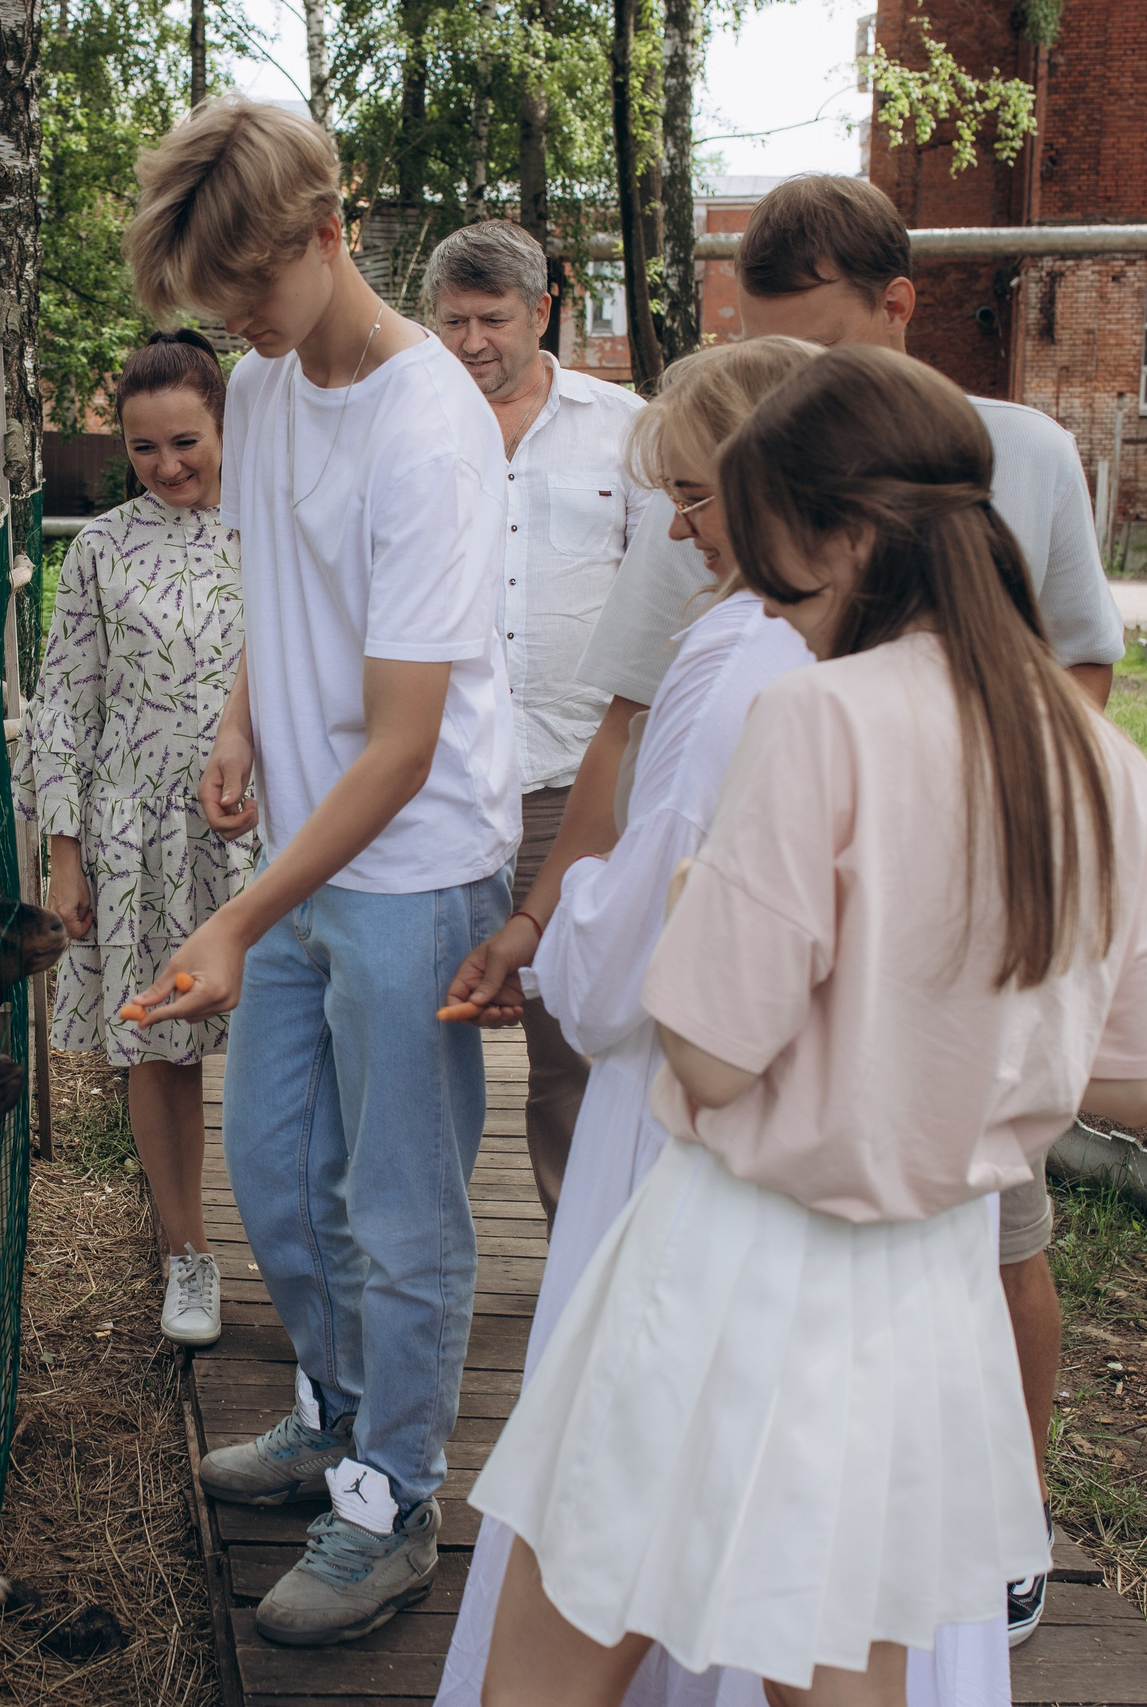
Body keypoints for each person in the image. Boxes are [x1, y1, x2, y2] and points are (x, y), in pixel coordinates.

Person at [446, 173, 1125, 1643]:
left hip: (743, 1244)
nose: (764, 601)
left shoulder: (817, 721)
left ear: (838, 533)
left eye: (763, 549)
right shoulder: (1098, 760)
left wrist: (692, 905)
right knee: (846, 1644)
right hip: (933, 1276)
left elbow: (710, 1056)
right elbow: (1124, 1071)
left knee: (572, 1621)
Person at [435, 337, 1005, 1707]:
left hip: (736, 1191)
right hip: (927, 1230)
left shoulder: (773, 678)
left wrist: (615, 922)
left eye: (698, 496)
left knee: (609, 1544)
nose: (684, 533)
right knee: (840, 1580)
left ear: (803, 509)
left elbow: (685, 1006)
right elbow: (1123, 1060)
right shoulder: (1047, 731)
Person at [117, 96, 517, 1647]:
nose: (236, 329)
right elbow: (281, 594)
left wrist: (233, 912)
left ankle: (394, 1494)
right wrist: (238, 716)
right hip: (296, 848)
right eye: (213, 309)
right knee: (279, 1181)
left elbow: (407, 740)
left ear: (331, 231)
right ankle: (334, 1412)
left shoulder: (432, 429)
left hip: (409, 868)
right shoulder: (271, 381)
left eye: (251, 294)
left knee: (397, 1209)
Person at [31, 329, 254, 1348]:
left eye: (186, 442)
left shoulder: (273, 532)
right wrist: (65, 853)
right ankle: (186, 1258)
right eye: (145, 447)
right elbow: (63, 709)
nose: (168, 465)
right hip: (134, 840)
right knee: (159, 1053)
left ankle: (314, 1252)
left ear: (225, 426)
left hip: (259, 836)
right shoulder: (98, 549)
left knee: (281, 1045)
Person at [426, 218, 651, 1225]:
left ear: (544, 310)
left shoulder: (628, 429)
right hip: (430, 786)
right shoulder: (415, 427)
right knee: (420, 1046)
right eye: (451, 322)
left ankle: (577, 1266)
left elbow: (669, 595)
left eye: (491, 319)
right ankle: (423, 1263)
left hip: (576, 789)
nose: (470, 342)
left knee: (575, 1050)